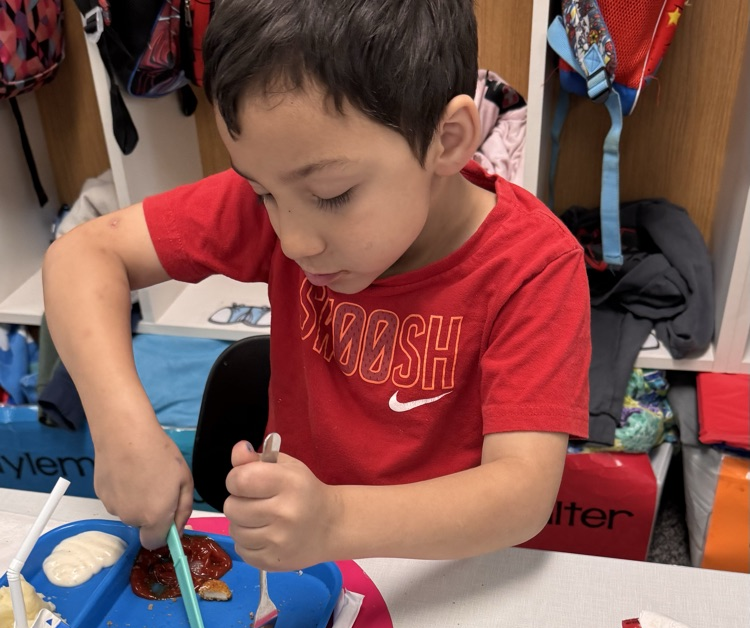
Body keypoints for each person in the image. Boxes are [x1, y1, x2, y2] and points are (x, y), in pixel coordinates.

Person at [42, 0, 590, 571]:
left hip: (443, 571)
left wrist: (334, 521)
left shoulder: (533, 267)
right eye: (262, 193)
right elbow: (81, 255)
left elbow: (522, 493)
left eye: (332, 195)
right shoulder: (291, 187)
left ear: (448, 140)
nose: (294, 240)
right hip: (302, 569)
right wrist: (121, 428)